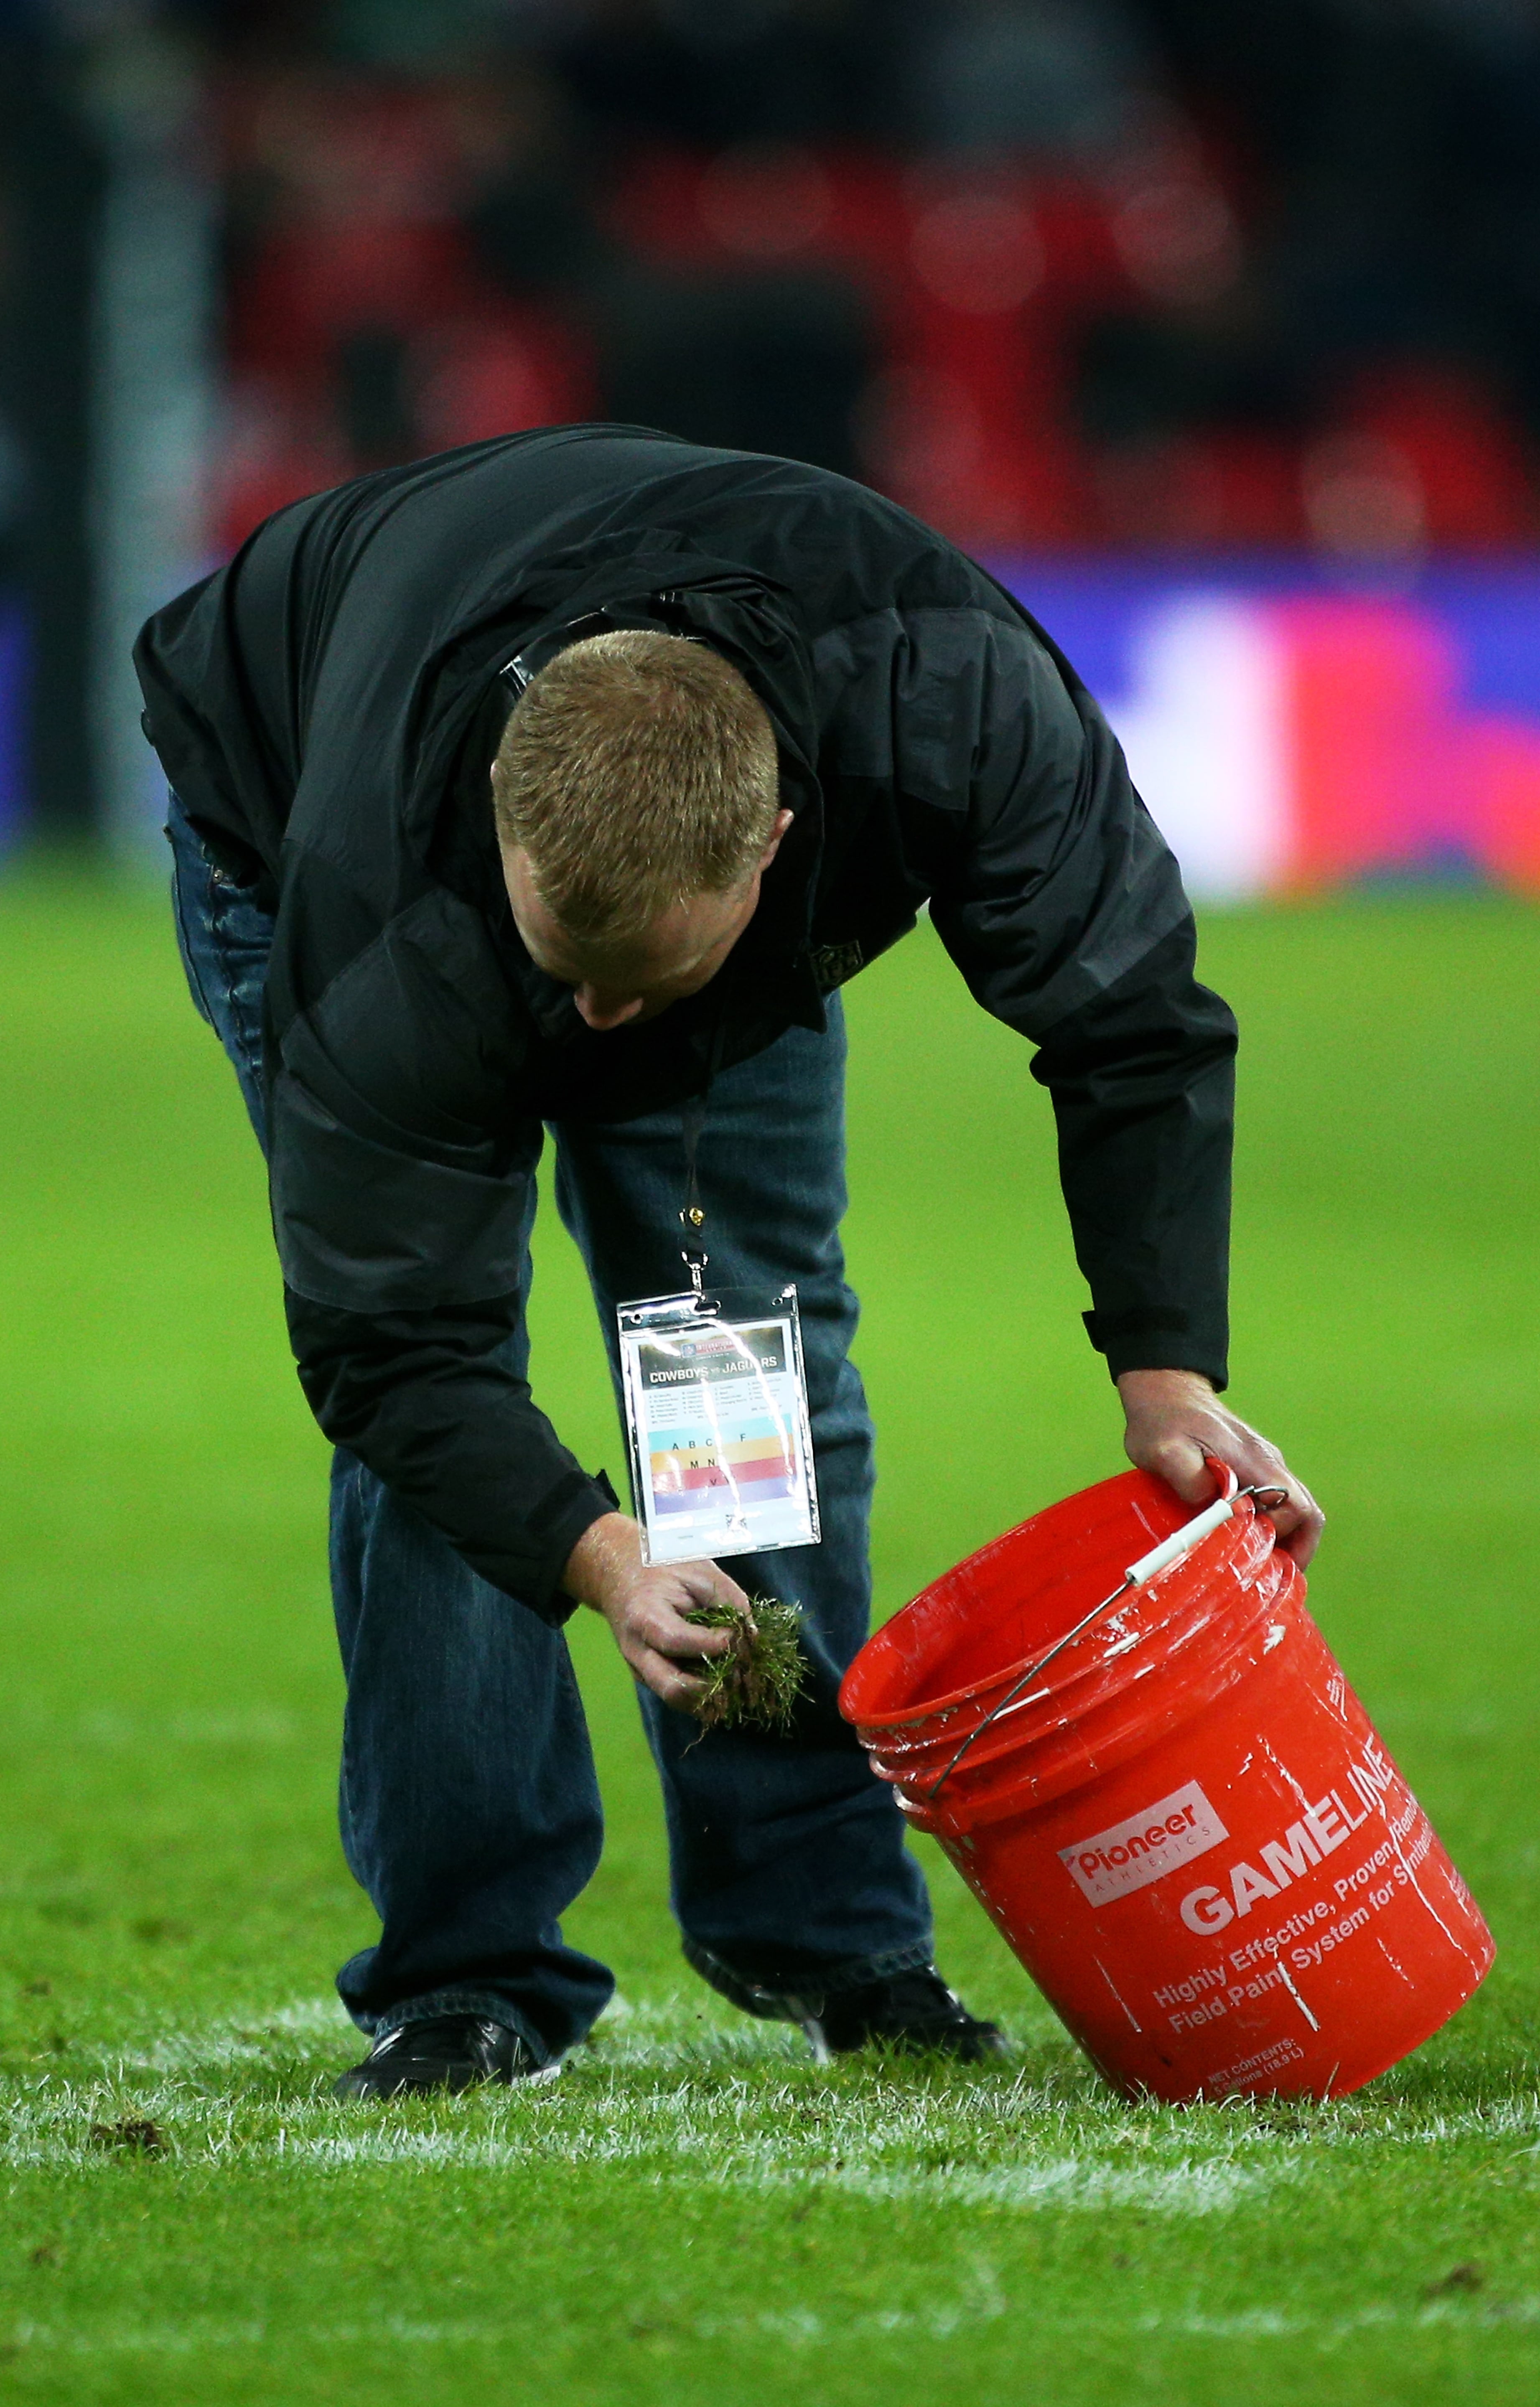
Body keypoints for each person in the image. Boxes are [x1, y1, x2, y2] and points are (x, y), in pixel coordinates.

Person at [137, 424, 1322, 2099]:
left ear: (769, 849)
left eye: (643, 987)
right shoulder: (386, 905)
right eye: (575, 976)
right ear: (505, 812)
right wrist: (599, 1555)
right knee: (450, 1437)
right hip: (313, 792)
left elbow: (1131, 1022)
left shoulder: (954, 702)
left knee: (743, 1354)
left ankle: (828, 1934)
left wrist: (1167, 1368)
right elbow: (399, 1351)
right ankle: (467, 1977)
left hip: (707, 852)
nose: (597, 1032)